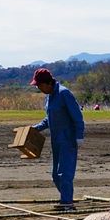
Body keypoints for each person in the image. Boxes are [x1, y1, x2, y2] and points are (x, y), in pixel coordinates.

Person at [30, 67, 85, 212]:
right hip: (56, 140)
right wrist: (36, 128)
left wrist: (79, 136)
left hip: (68, 140)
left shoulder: (64, 93)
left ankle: (67, 203)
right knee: (55, 175)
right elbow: (49, 119)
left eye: (40, 85)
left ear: (48, 83)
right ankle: (66, 199)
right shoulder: (49, 97)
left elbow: (78, 117)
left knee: (64, 174)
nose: (39, 88)